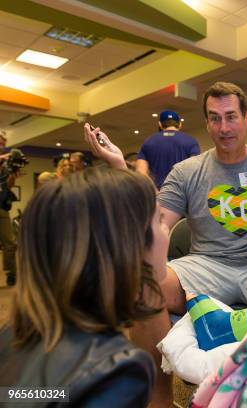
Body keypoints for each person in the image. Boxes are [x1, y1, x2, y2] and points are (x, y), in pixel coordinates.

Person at [83, 81, 247, 407]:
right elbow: (155, 224)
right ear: (207, 123)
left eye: (230, 116)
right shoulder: (187, 172)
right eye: (214, 118)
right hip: (204, 264)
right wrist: (119, 168)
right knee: (146, 287)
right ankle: (158, 400)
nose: (223, 127)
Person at [0, 167, 166, 407]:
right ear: (127, 245)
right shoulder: (115, 372)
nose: (167, 230)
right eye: (160, 220)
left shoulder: (11, 333)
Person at [136, 110, 200, 189]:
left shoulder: (148, 142)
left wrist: (155, 192)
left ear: (160, 124)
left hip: (157, 194)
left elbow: (140, 173)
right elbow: (196, 171)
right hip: (182, 194)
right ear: (180, 124)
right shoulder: (191, 141)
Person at [0, 132, 16, 286]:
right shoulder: (3, 160)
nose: (1, 146)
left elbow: (9, 185)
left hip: (2, 207)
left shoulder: (5, 164)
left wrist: (13, 173)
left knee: (9, 243)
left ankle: (11, 274)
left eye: (3, 143)